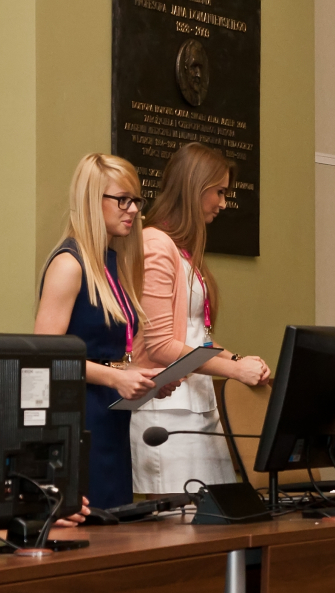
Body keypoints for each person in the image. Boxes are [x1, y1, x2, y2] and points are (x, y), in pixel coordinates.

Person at [35, 153, 174, 509]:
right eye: (122, 200)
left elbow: (108, 354)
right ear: (91, 200)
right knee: (88, 522)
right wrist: (116, 378)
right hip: (78, 417)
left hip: (111, 416)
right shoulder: (69, 264)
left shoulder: (112, 262)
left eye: (136, 200)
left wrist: (144, 379)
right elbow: (46, 357)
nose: (133, 210)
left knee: (116, 522)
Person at [130, 142, 270, 495]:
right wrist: (235, 371)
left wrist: (241, 360)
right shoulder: (155, 244)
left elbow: (199, 338)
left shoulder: (184, 252)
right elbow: (162, 346)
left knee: (213, 517)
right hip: (167, 412)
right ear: (195, 186)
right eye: (219, 192)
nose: (223, 203)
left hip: (199, 404)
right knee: (179, 522)